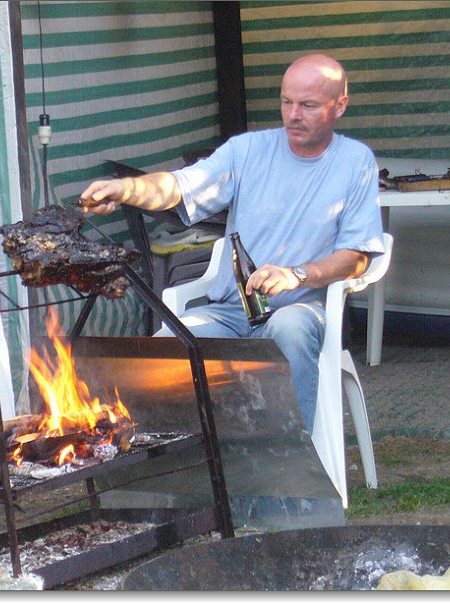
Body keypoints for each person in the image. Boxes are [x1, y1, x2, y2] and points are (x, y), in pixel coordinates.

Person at [79, 54, 384, 433]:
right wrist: (127, 190)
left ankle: (287, 478)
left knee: (288, 329)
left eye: (307, 105)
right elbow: (180, 185)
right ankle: (194, 476)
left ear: (340, 106)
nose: (292, 114)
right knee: (165, 352)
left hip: (302, 310)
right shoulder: (248, 150)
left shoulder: (355, 162)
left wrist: (298, 275)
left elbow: (356, 257)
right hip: (230, 311)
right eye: (286, 102)